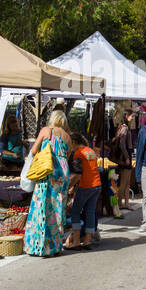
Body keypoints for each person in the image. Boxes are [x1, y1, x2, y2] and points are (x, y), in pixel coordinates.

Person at [24, 110, 72, 257]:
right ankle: (56, 247)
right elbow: (67, 156)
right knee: (58, 208)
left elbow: (33, 149)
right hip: (63, 173)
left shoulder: (47, 130)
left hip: (49, 171)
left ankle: (43, 247)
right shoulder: (67, 137)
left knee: (43, 207)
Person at [66, 133, 102, 248]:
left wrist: (68, 187)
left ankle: (76, 241)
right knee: (90, 212)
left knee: (75, 212)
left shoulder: (78, 153)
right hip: (97, 185)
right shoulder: (89, 150)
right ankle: (87, 241)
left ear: (73, 142)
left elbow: (77, 174)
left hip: (86, 186)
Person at [113, 111, 136, 210]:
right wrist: (127, 157)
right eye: (132, 116)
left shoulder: (122, 127)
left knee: (126, 183)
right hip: (125, 156)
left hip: (126, 155)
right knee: (124, 183)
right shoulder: (125, 128)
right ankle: (119, 203)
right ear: (126, 116)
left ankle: (126, 203)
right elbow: (122, 144)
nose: (133, 118)